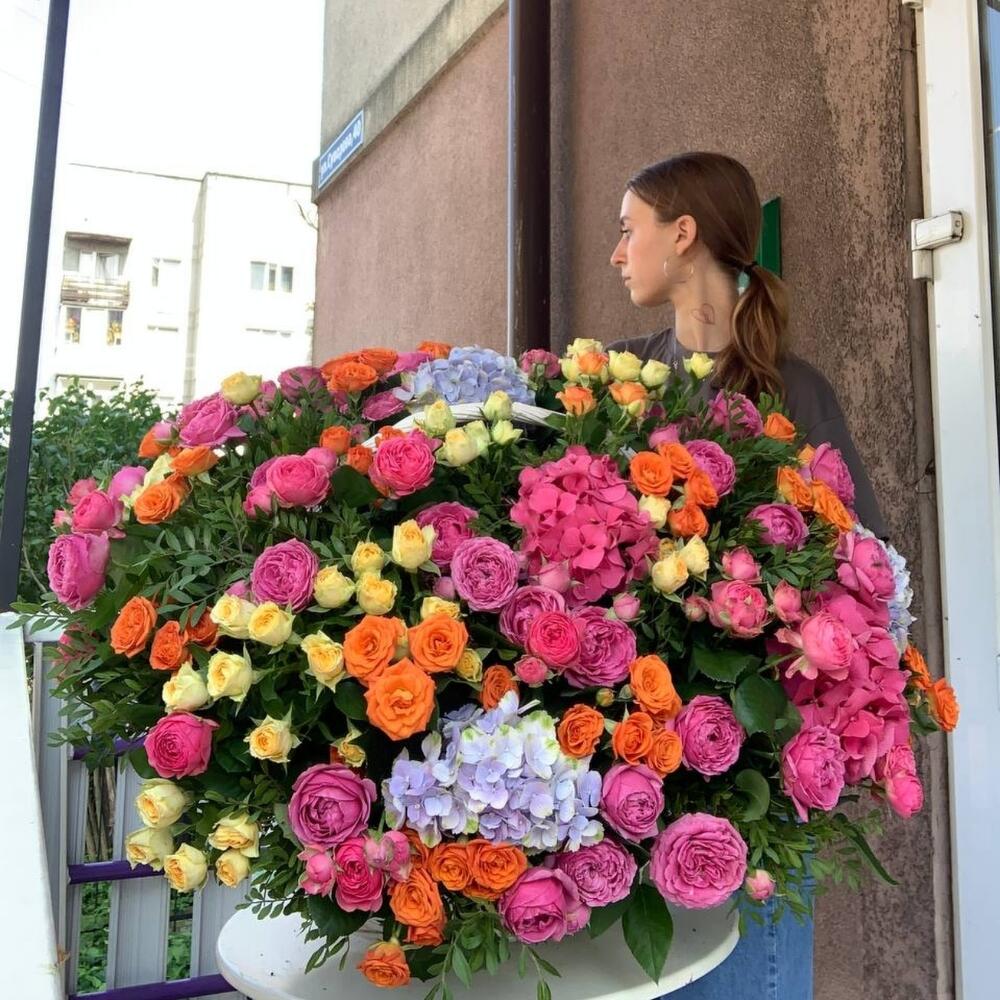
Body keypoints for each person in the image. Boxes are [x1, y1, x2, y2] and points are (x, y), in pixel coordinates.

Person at [605, 152, 886, 1000]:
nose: (617, 253)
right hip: (627, 766)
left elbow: (866, 571)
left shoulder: (794, 390)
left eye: (630, 230)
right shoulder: (617, 380)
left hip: (756, 770)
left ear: (682, 235)